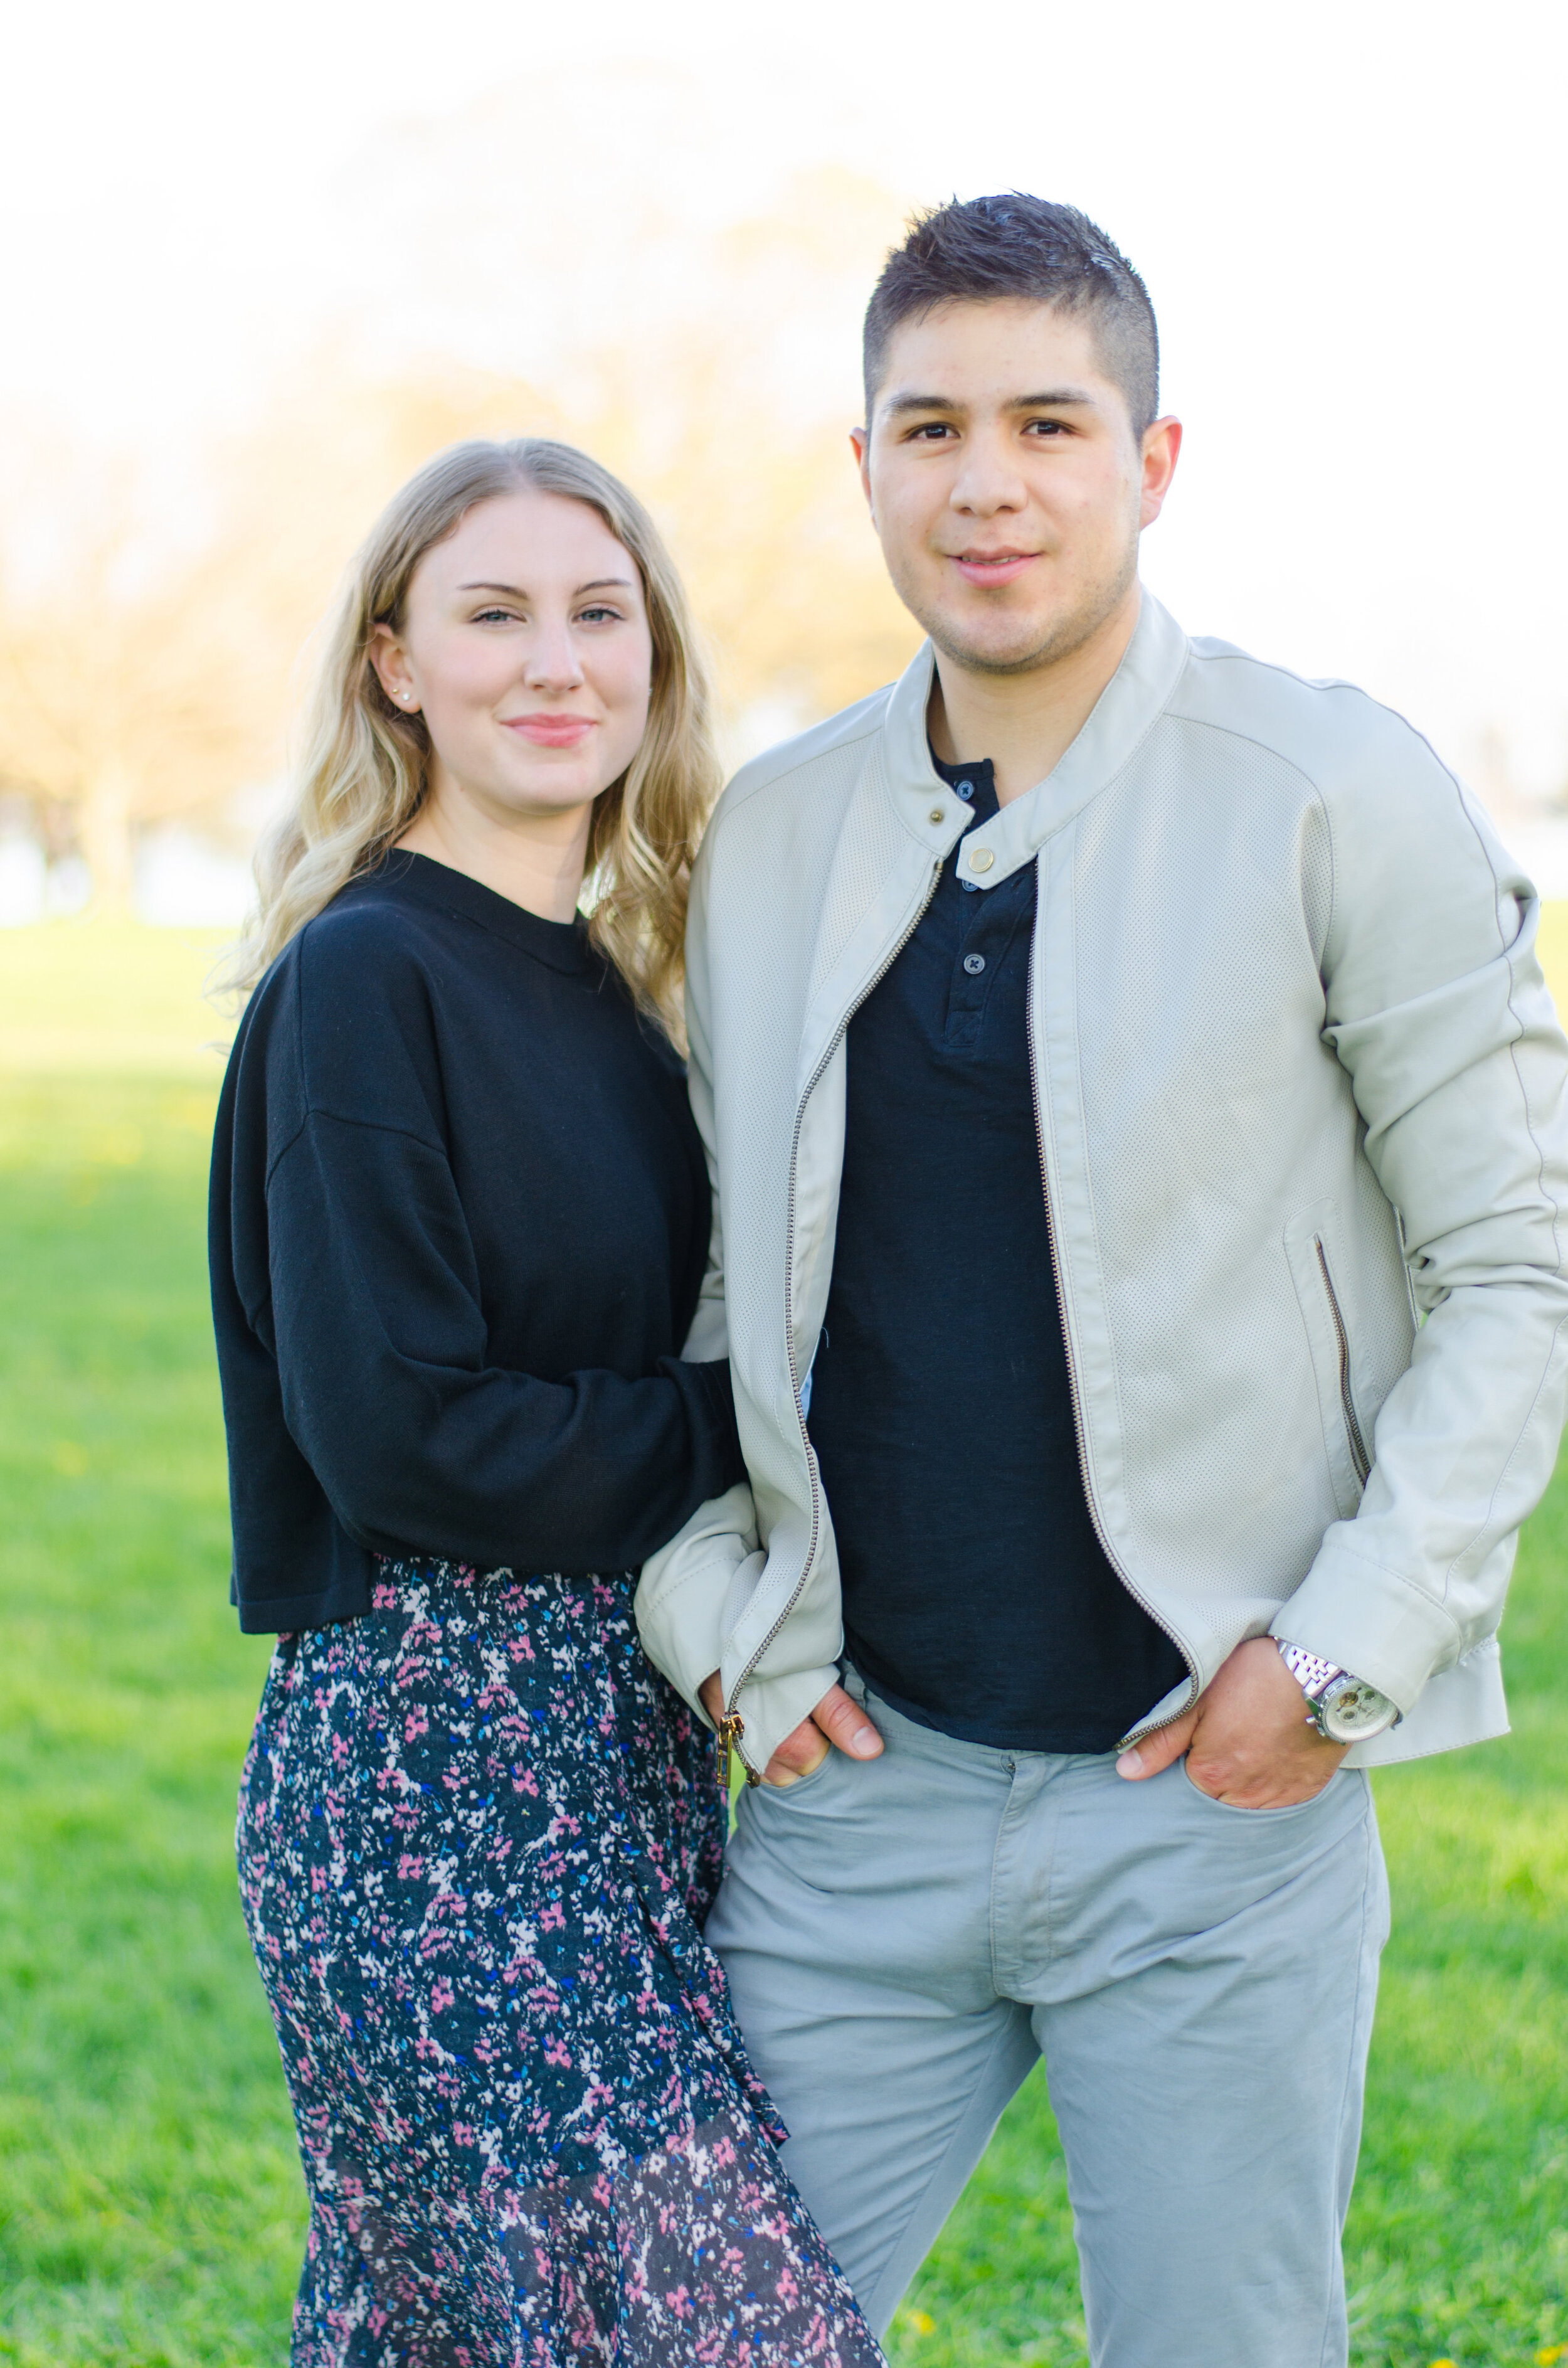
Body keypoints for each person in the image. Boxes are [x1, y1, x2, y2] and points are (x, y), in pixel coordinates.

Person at [635, 198, 1568, 2367]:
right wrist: (713, 1623)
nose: (986, 481)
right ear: (858, 464)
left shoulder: (1331, 787)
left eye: (1048, 422)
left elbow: (1517, 1264)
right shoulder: (765, 838)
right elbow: (689, 1310)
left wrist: (1337, 1660)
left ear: (1150, 465)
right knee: (678, 2341)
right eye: (929, 425)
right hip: (851, 1804)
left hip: (1210, 1808)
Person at [209, 437, 885, 2368]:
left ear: (656, 663)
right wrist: (765, 1428)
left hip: (620, 1752)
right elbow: (408, 1433)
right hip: (429, 1783)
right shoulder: (365, 977)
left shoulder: (618, 986)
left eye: (601, 614)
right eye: (490, 614)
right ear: (392, 666)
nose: (553, 661)